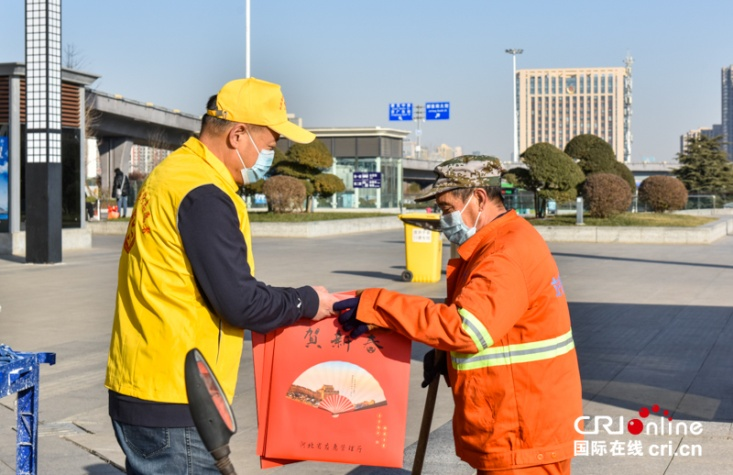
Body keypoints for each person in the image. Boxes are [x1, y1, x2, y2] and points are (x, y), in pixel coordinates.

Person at [105, 77, 340, 474]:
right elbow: (240, 302)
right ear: (238, 135)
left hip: (142, 384)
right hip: (180, 400)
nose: (273, 153)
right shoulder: (204, 193)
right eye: (270, 144)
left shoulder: (173, 173)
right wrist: (307, 300)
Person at [335, 155, 583, 475]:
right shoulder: (501, 240)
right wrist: (445, 355)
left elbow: (466, 330)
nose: (443, 218)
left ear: (478, 198)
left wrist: (379, 305)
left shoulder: (504, 254)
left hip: (521, 429)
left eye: (447, 208)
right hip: (521, 418)